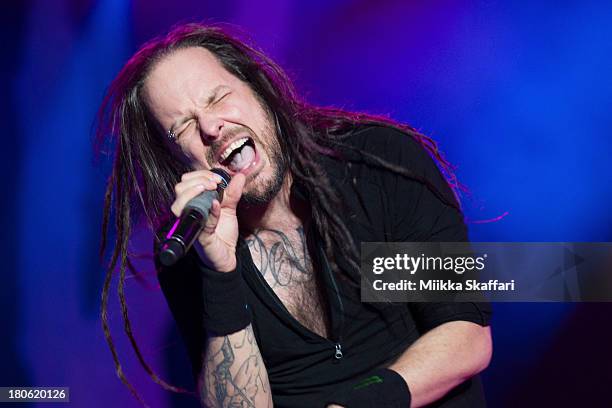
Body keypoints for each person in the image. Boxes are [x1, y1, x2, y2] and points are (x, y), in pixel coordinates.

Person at [97, 23, 492, 408]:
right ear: (174, 160)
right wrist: (219, 271)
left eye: (218, 97)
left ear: (259, 91)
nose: (211, 126)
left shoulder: (372, 167)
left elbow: (465, 336)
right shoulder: (189, 247)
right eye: (183, 126)